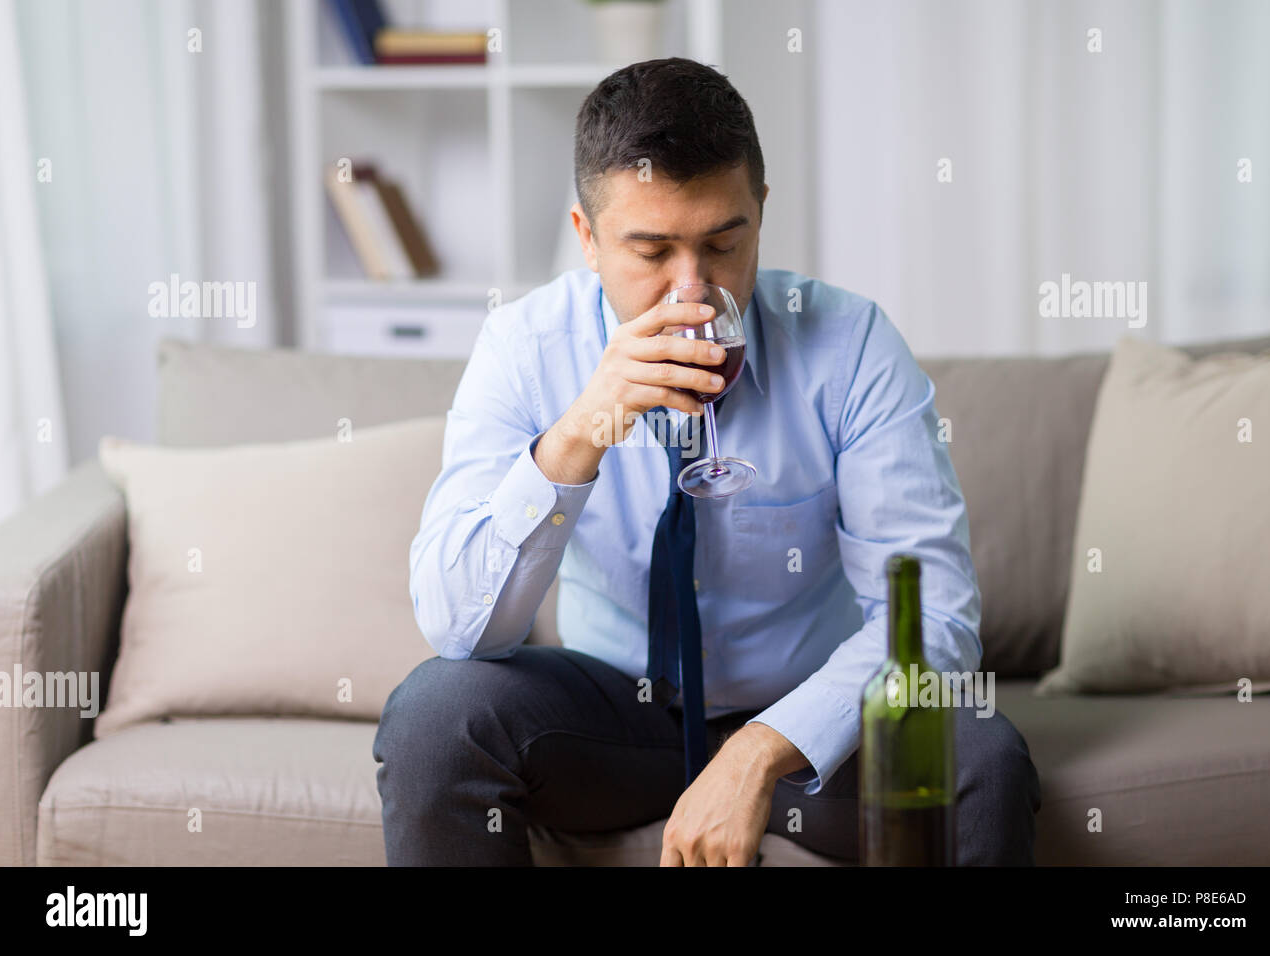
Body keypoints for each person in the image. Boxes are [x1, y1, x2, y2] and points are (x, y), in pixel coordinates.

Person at [373, 57, 1041, 867]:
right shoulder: (523, 347)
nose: (691, 291)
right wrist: (580, 433)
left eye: (723, 244)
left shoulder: (851, 345)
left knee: (985, 756)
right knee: (435, 715)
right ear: (586, 238)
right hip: (615, 720)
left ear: (760, 212)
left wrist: (762, 750)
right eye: (650, 252)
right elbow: (458, 626)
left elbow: (932, 618)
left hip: (810, 731)